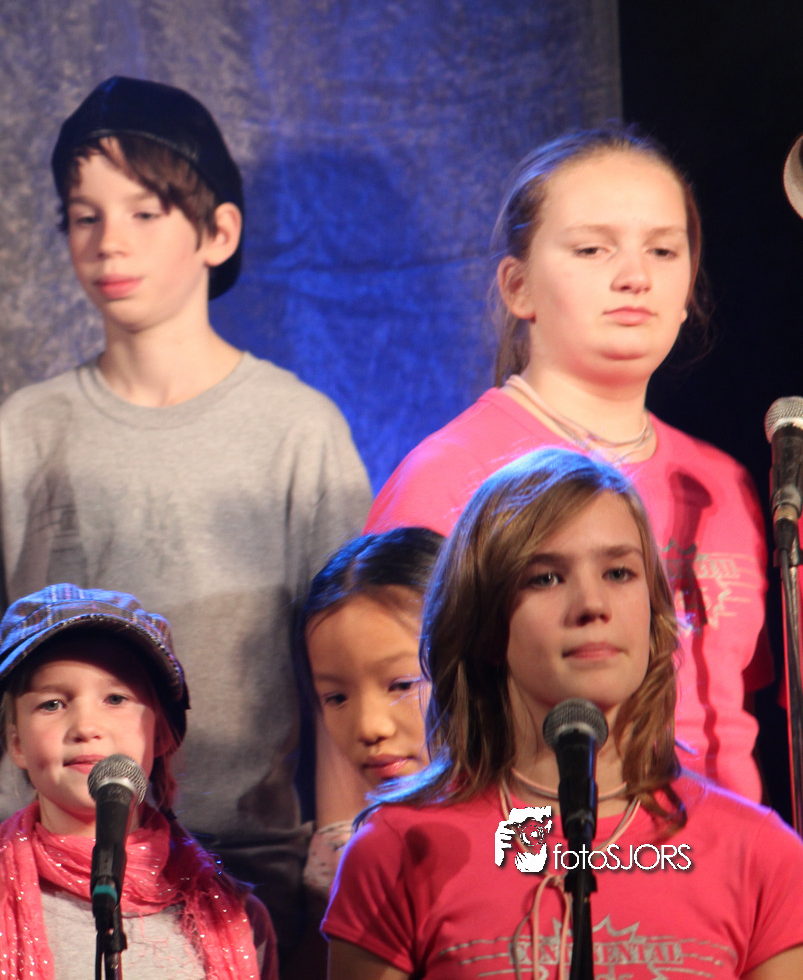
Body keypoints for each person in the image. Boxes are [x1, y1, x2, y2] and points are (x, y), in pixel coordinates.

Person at [0, 75, 371, 949]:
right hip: (48, 870)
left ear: (218, 231)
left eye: (144, 212)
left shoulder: (296, 430)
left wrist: (336, 844)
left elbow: (344, 669)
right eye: (84, 216)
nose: (109, 242)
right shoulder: (25, 430)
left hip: (240, 863)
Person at [366, 125, 768, 802]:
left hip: (727, 855)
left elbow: (734, 708)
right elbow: (386, 716)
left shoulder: (722, 483)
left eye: (663, 249)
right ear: (517, 286)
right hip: (545, 850)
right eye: (591, 248)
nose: (635, 276)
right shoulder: (447, 478)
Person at [326, 448, 803, 980]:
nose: (592, 605)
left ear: (653, 612)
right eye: (546, 578)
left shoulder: (760, 854)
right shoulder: (399, 851)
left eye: (619, 572)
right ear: (485, 625)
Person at [0, 583, 277, 980]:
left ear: (159, 733)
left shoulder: (237, 921)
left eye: (115, 699)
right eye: (52, 704)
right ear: (15, 743)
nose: (86, 727)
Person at [293, 527, 443, 903]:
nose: (368, 727)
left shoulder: (537, 831)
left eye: (402, 685)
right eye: (336, 698)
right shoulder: (352, 859)